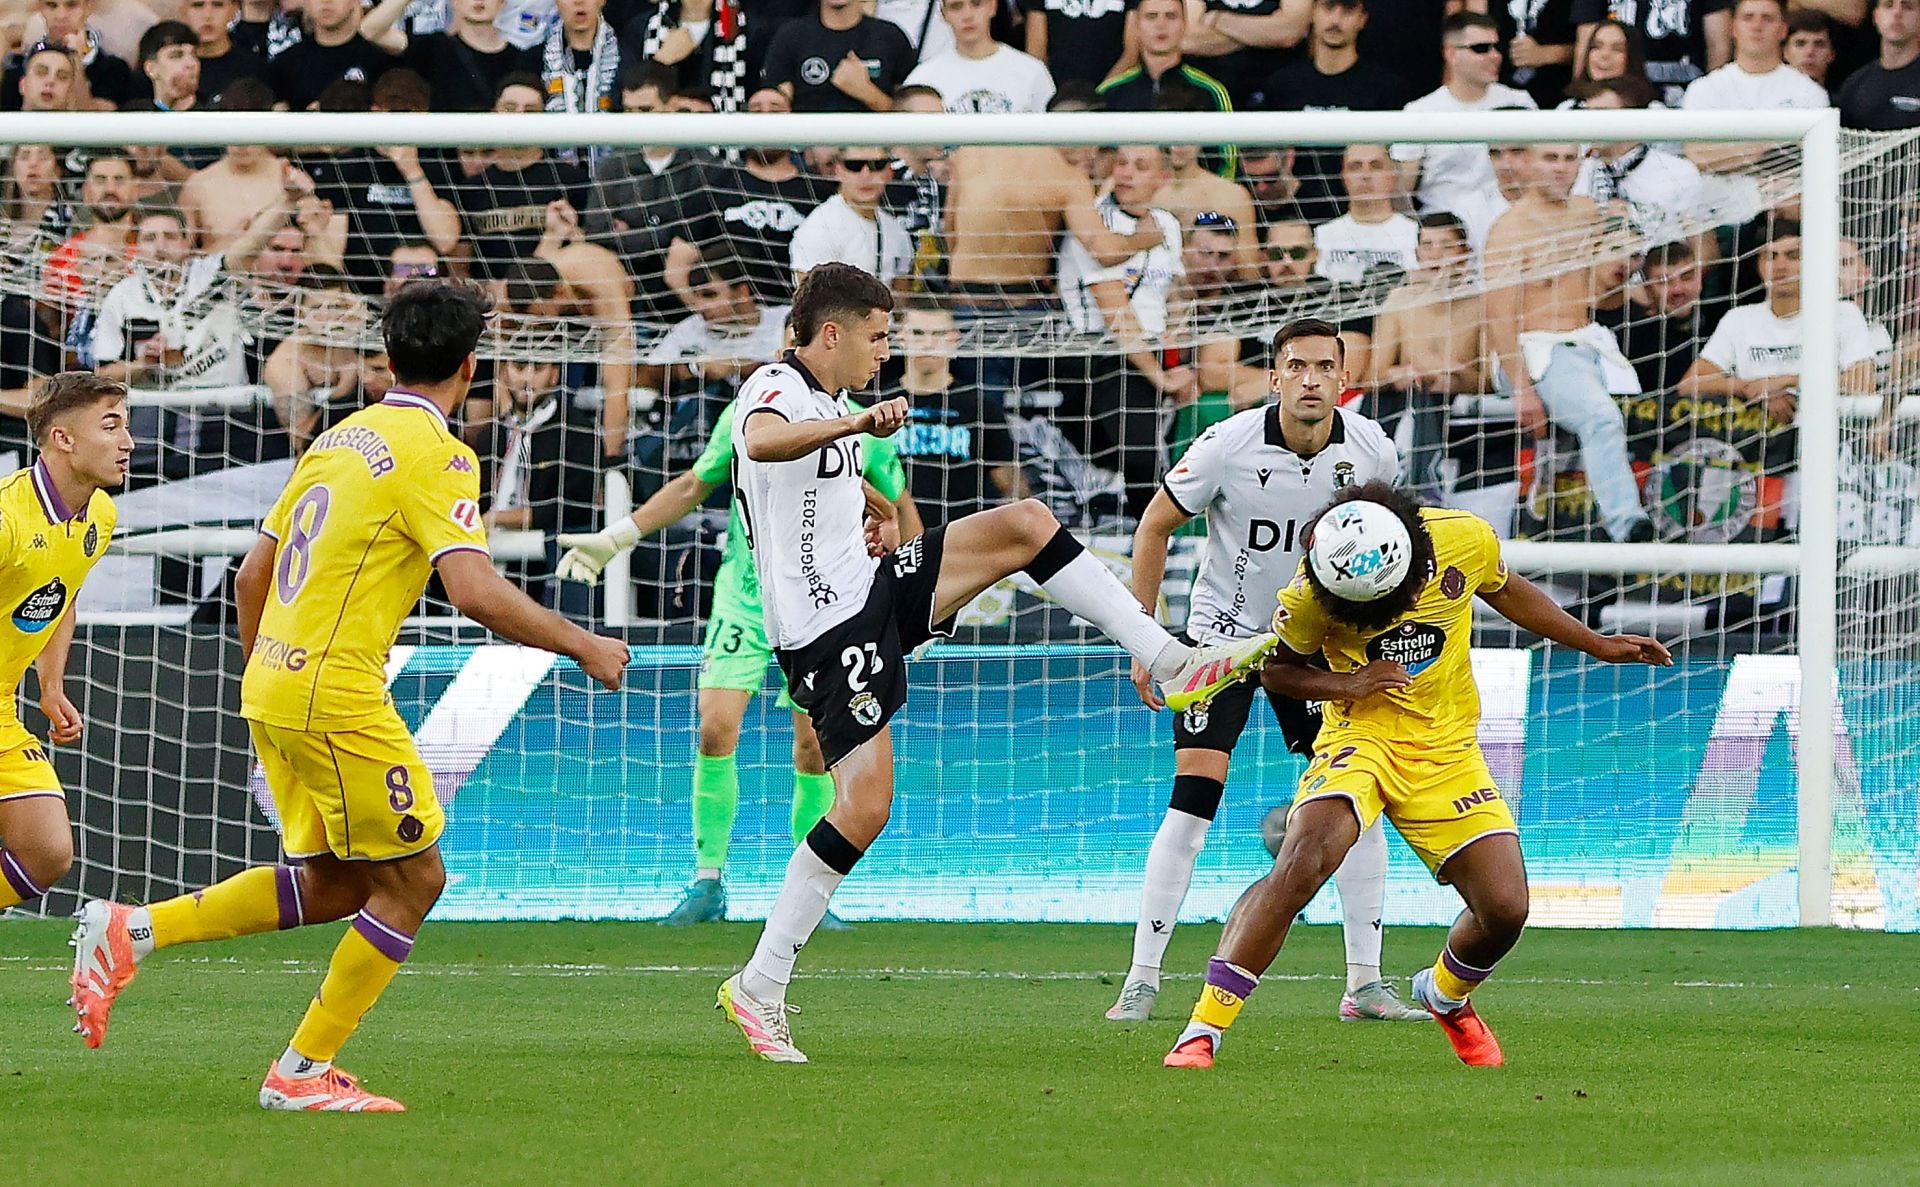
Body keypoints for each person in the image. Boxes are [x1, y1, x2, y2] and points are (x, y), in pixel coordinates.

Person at [68, 282, 632, 1112]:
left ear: (389, 358)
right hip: (335, 693)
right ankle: (301, 1070)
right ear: (470, 367)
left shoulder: (337, 438)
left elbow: (251, 576)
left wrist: (272, 676)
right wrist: (582, 642)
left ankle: (131, 929)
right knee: (415, 881)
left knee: (336, 884)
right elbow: (472, 589)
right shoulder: (440, 453)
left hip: (274, 680)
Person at [711, 263, 1275, 1062]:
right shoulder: (777, 387)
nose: (885, 352)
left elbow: (807, 486)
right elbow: (763, 444)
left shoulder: (830, 403)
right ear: (830, 333)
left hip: (870, 590)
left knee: (1026, 523)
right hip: (825, 631)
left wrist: (873, 506)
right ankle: (760, 984)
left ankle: (1166, 656)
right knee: (864, 807)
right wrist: (858, 426)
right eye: (877, 337)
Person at [1163, 482, 1672, 1070]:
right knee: (1303, 860)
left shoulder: (1464, 537)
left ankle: (1445, 995)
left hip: (1447, 748)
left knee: (1505, 909)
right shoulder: (1311, 589)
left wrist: (1594, 644)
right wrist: (1348, 684)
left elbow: (1505, 588)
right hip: (1361, 738)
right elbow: (1279, 672)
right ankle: (1203, 1029)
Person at [1108, 318, 1426, 1025]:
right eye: (1296, 366)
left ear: (1344, 378)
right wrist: (1142, 635)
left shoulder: (1373, 449)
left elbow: (1392, 550)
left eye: (1324, 367)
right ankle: (1141, 980)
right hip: (1221, 644)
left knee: (1354, 802)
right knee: (1192, 804)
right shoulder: (1226, 444)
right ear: (1274, 377)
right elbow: (1154, 525)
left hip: (1312, 646)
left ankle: (1365, 983)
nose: (1310, 379)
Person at [553, 365, 920, 928]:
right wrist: (615, 539)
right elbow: (693, 485)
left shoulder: (859, 425)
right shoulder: (749, 412)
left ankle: (810, 891)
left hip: (820, 603)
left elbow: (899, 506)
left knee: (813, 746)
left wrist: (907, 604)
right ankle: (707, 880)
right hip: (745, 598)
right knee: (715, 725)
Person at [0, 375, 130, 921]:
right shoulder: (7, 520)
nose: (128, 443)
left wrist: (50, 687)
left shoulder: (100, 515)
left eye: (126, 426)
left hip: (2, 706)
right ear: (63, 438)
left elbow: (61, 593)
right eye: (111, 426)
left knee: (46, 851)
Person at [1485, 144, 1655, 543]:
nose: (1561, 169)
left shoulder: (1589, 213)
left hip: (1587, 343)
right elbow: (1498, 318)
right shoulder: (1509, 230)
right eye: (1550, 158)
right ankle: (1628, 525)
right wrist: (1522, 388)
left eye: (1569, 158)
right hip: (1536, 352)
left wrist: (1622, 262)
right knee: (1601, 417)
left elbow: (1604, 298)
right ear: (1527, 161)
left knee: (1641, 416)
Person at [1679, 218, 1879, 538]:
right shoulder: (1739, 319)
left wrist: (1785, 381)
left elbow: (1861, 383)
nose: (1781, 265)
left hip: (1825, 462)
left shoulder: (1841, 314)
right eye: (1770, 256)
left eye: (1793, 255)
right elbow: (1690, 383)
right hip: (1754, 464)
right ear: (1759, 265)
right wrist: (1750, 389)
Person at [1367, 213, 1487, 502]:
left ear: (1465, 253)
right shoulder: (1399, 300)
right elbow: (1373, 375)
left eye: (1446, 246)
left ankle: (1427, 488)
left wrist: (1454, 377)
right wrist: (1399, 374)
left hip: (1457, 404)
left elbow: (1491, 381)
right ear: (1417, 254)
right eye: (1428, 245)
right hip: (1405, 400)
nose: (1436, 255)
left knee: (1431, 397)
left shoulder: (1482, 304)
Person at [878, 301, 1023, 522]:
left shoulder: (980, 406)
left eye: (938, 334)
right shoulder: (876, 403)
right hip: (891, 532)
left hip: (959, 535)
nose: (928, 344)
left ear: (955, 338)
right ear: (900, 337)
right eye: (918, 333)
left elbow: (1012, 484)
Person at [1390, 12, 1538, 220]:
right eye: (1481, 48)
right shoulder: (1419, 112)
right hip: (1444, 227)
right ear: (1451, 54)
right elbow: (1402, 192)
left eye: (1497, 47)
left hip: (1511, 223)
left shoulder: (1519, 102)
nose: (1495, 55)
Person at [1259, 0, 1411, 198]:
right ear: (1313, 12)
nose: (1336, 20)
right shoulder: (1282, 84)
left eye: (1348, 10)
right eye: (1328, 7)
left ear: (1362, 19)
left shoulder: (1387, 88)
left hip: (1362, 203)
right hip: (1296, 206)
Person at [1681, 0, 1827, 176]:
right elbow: (1697, 155)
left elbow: (1813, 161)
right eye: (1748, 18)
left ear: (1783, 30)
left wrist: (1728, 151)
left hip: (1784, 193)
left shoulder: (1809, 92)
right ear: (1733, 28)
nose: (1757, 26)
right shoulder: (1704, 89)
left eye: (1768, 18)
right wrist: (1770, 148)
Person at [789, 147, 913, 287]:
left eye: (876, 165)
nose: (866, 175)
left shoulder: (896, 231)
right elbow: (810, 297)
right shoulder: (819, 228)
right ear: (837, 170)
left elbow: (901, 294)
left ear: (889, 172)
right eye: (854, 166)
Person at [760, 0, 914, 113]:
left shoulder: (890, 37)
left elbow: (912, 115)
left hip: (875, 144)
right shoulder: (790, 37)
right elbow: (776, 111)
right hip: (807, 144)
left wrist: (867, 92)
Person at [902, 0, 1054, 113]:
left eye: (976, 4)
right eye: (956, 6)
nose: (967, 15)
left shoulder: (1031, 71)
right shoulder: (923, 78)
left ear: (993, 6)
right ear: (943, 14)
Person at [1571, 0, 1730, 108]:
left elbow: (1719, 47)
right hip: (1615, 99)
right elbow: (1586, 45)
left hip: (1687, 101)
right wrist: (1581, 96)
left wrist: (1711, 100)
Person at [1313, 144, 1418, 285]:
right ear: (1343, 176)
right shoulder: (1322, 235)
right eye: (1355, 167)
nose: (1365, 175)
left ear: (1392, 176)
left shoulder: (1414, 233)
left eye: (1376, 166)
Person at [1837, 0, 1920, 131]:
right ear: (1875, 17)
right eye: (1888, 5)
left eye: (1907, 7)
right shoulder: (1855, 84)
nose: (1897, 13)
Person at [181, 0, 267, 102]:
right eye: (198, 5)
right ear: (183, 11)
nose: (207, 15)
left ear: (235, 10)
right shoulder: (171, 69)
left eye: (218, 5)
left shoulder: (255, 69)